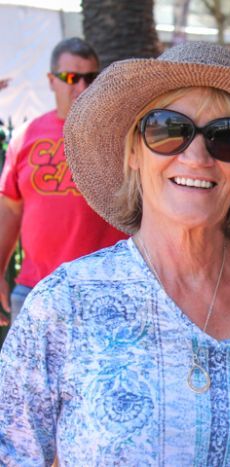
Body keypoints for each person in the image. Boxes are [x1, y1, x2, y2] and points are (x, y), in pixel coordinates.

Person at [0, 41, 230, 464]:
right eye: (168, 129)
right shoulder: (63, 304)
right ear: (133, 152)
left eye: (226, 137)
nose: (197, 156)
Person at [0, 38, 127, 326]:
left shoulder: (120, 136)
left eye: (90, 78)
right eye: (70, 78)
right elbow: (9, 208)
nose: (81, 87)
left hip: (108, 289)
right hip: (37, 288)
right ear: (51, 81)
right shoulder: (25, 135)